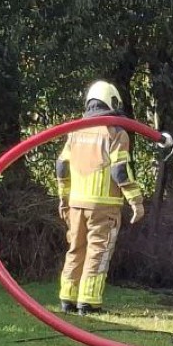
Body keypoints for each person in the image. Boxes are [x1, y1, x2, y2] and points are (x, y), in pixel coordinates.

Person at [55, 80, 146, 315]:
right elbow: (120, 171)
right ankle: (89, 302)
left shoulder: (75, 131)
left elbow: (62, 167)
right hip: (104, 205)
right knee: (98, 250)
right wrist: (135, 201)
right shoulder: (115, 132)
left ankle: (67, 298)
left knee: (75, 249)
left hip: (76, 203)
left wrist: (63, 200)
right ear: (113, 102)